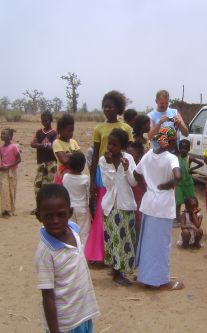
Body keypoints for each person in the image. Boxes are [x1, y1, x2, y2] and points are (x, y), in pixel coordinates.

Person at [34, 184, 100, 333]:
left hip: (82, 313)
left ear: (70, 213)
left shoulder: (74, 230)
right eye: (48, 216)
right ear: (39, 216)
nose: (55, 220)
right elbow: (48, 296)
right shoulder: (46, 252)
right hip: (65, 324)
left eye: (61, 214)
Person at [134, 126, 183, 290]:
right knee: (162, 244)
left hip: (149, 203)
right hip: (162, 205)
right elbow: (178, 176)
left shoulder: (148, 155)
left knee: (148, 242)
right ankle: (161, 281)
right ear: (170, 142)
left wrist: (146, 188)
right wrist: (168, 185)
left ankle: (145, 275)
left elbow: (136, 172)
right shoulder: (171, 158)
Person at [87, 90, 133, 263]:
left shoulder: (126, 129)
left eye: (110, 106)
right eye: (105, 106)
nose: (107, 109)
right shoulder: (99, 129)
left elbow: (130, 153)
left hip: (121, 171)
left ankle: (116, 252)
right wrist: (92, 181)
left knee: (118, 210)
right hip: (103, 171)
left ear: (118, 108)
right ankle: (99, 254)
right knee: (102, 211)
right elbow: (95, 156)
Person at [99, 129, 138, 286]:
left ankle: (122, 270)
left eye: (115, 144)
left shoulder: (128, 158)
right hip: (111, 206)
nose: (110, 147)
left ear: (122, 145)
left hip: (126, 204)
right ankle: (116, 273)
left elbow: (134, 182)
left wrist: (128, 168)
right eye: (110, 143)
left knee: (127, 239)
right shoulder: (103, 161)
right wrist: (109, 165)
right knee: (114, 240)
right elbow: (108, 184)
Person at [30, 111, 57, 206]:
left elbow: (53, 147)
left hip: (51, 163)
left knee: (48, 185)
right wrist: (45, 145)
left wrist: (40, 145)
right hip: (41, 162)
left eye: (46, 120)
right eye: (42, 120)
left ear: (51, 120)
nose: (44, 122)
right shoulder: (39, 132)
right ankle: (39, 206)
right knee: (38, 185)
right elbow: (32, 144)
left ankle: (47, 206)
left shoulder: (54, 133)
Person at [62, 152, 91, 243]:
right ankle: (82, 255)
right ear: (83, 166)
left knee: (71, 231)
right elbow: (88, 195)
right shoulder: (85, 179)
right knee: (83, 233)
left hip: (69, 208)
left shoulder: (65, 177)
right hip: (82, 208)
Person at [175, 139, 204, 219]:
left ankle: (190, 217)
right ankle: (177, 218)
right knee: (178, 202)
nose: (183, 150)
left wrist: (192, 169)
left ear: (189, 149)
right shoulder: (177, 158)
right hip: (179, 184)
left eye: (186, 148)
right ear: (179, 148)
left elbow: (201, 163)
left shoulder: (189, 158)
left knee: (190, 202)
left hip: (188, 184)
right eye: (182, 148)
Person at [0, 128, 21, 218]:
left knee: (12, 190)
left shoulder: (14, 147)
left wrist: (9, 166)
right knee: (4, 190)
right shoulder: (0, 148)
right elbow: (0, 159)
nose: (2, 135)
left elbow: (19, 159)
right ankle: (5, 210)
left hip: (12, 171)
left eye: (4, 134)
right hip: (3, 172)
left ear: (10, 136)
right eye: (1, 133)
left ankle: (11, 209)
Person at [52, 114, 80, 185]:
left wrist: (67, 155)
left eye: (72, 131)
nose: (71, 133)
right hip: (62, 176)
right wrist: (74, 155)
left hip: (75, 175)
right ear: (61, 130)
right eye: (69, 131)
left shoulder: (74, 142)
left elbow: (80, 158)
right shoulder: (57, 143)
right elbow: (64, 160)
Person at [127, 141, 146, 239]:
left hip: (139, 200)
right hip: (129, 200)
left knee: (138, 226)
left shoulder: (142, 169)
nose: (128, 157)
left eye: (131, 154)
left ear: (139, 155)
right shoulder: (126, 167)